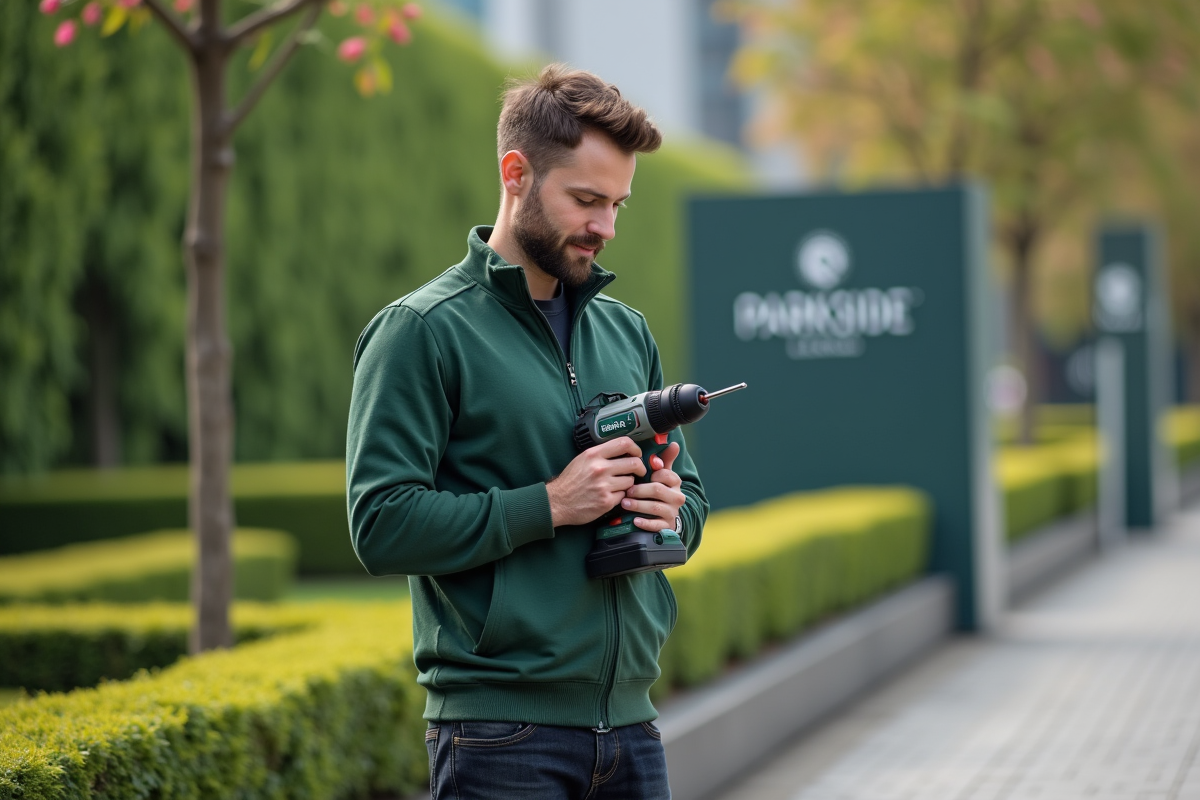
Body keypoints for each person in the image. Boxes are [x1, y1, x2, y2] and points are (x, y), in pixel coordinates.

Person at [346, 63, 708, 799]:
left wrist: (672, 507)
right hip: (499, 737)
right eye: (586, 200)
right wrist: (547, 504)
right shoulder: (419, 332)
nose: (604, 227)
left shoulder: (625, 331)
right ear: (516, 173)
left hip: (633, 728)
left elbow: (693, 503)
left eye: (618, 205)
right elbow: (380, 524)